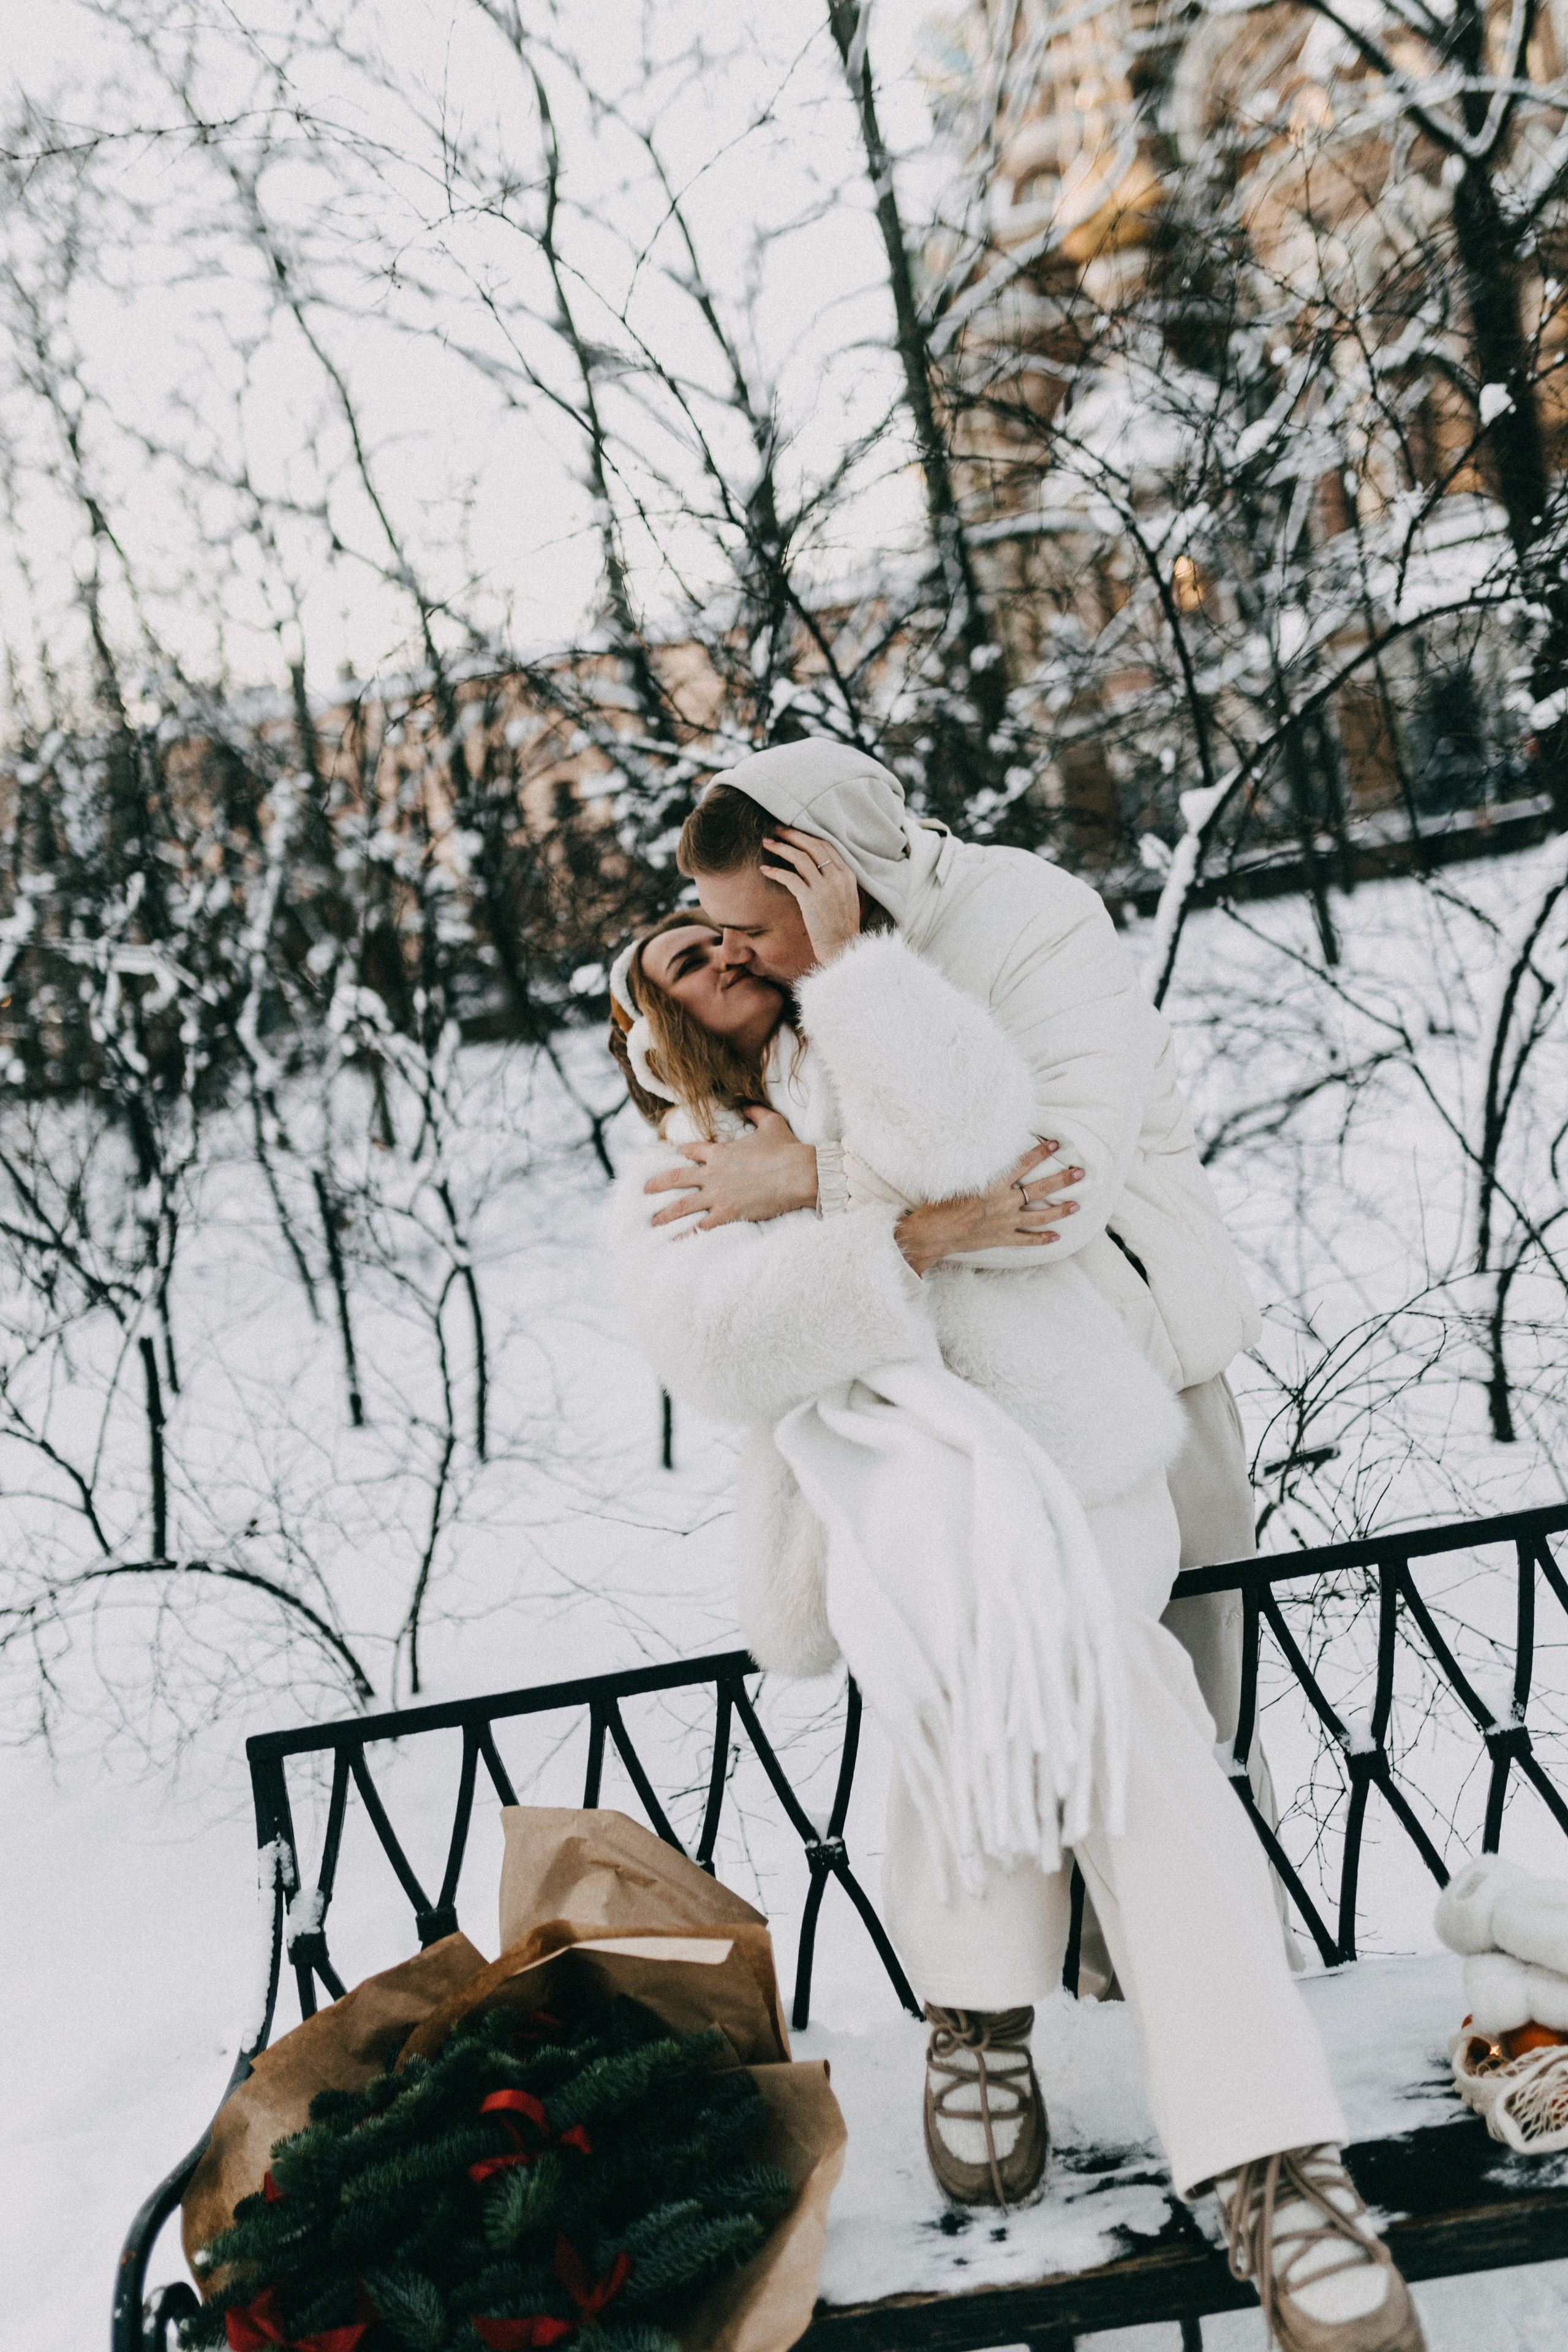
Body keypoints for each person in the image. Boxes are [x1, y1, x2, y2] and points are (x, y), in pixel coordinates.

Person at [605, 742, 1425, 2352]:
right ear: (656, 1024)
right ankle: (1088, 2058)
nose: (734, 956)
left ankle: (1213, 2132)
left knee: (1086, 1670)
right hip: (878, 1505)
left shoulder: (914, 997)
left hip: (1077, 1429)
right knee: (986, 1657)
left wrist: (845, 1059)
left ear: (826, 884)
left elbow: (1022, 1172)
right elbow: (717, 1340)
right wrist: (901, 1232)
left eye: (748, 929)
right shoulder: (684, 1163)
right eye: (693, 949)